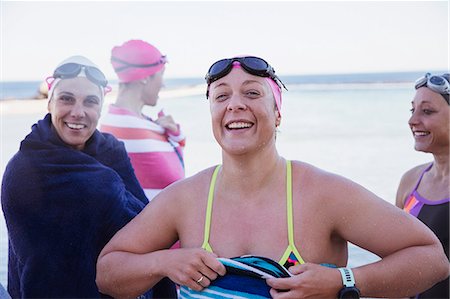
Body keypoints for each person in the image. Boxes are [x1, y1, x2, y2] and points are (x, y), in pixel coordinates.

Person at [96, 56, 449, 299]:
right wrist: (164, 261)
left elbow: (431, 258)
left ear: (277, 114)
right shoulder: (185, 198)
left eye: (252, 93)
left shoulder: (322, 194)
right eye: (221, 96)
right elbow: (109, 271)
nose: (235, 104)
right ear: (213, 113)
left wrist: (343, 281)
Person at [0, 55, 175, 298]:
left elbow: (146, 226)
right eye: (66, 99)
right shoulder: (25, 169)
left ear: (100, 108)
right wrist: (110, 188)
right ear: (50, 103)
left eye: (90, 102)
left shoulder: (111, 152)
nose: (78, 112)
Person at [100, 39, 185, 202]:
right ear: (145, 77)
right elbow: (176, 179)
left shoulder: (134, 121)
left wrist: (175, 134)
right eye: (161, 74)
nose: (164, 84)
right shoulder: (125, 126)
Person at [396, 73, 449, 298]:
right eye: (413, 110)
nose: (413, 120)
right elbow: (396, 262)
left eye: (427, 111)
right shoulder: (410, 181)